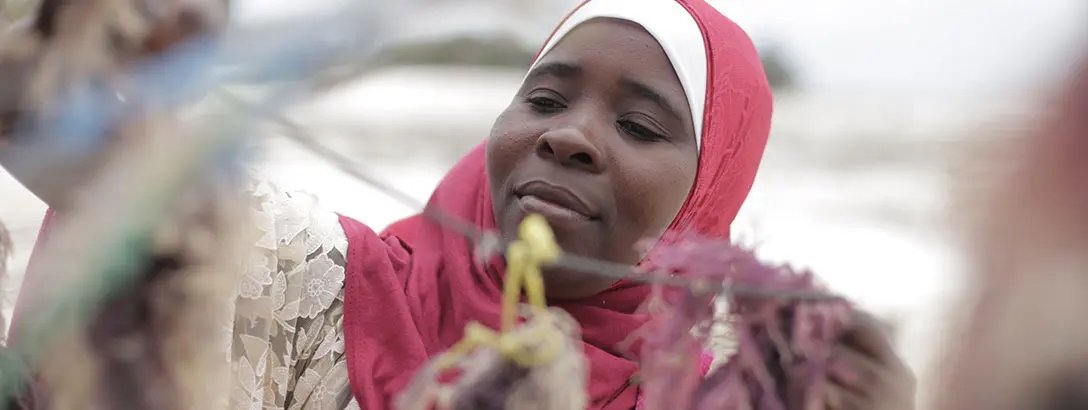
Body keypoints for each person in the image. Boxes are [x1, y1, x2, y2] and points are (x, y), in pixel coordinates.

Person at [1, 0, 915, 409]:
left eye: (641, 125)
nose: (570, 137)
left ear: (709, 193)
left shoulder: (732, 396)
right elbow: (118, 177)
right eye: (546, 101)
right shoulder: (311, 281)